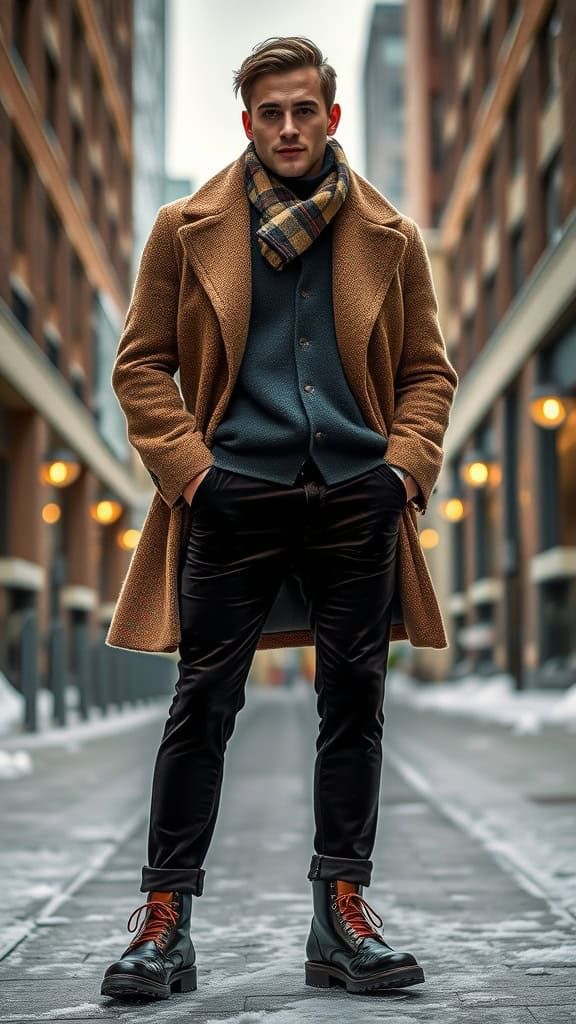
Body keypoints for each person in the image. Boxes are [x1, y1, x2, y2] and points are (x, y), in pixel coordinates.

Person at [101, 37, 458, 1000]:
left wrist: (400, 473)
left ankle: (340, 916)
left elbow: (428, 373)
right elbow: (141, 367)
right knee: (202, 704)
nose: (290, 127)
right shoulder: (185, 228)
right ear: (249, 122)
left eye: (306, 110)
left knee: (355, 707)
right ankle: (164, 924)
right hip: (231, 495)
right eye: (272, 113)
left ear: (331, 118)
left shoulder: (392, 236)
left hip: (356, 498)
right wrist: (194, 474)